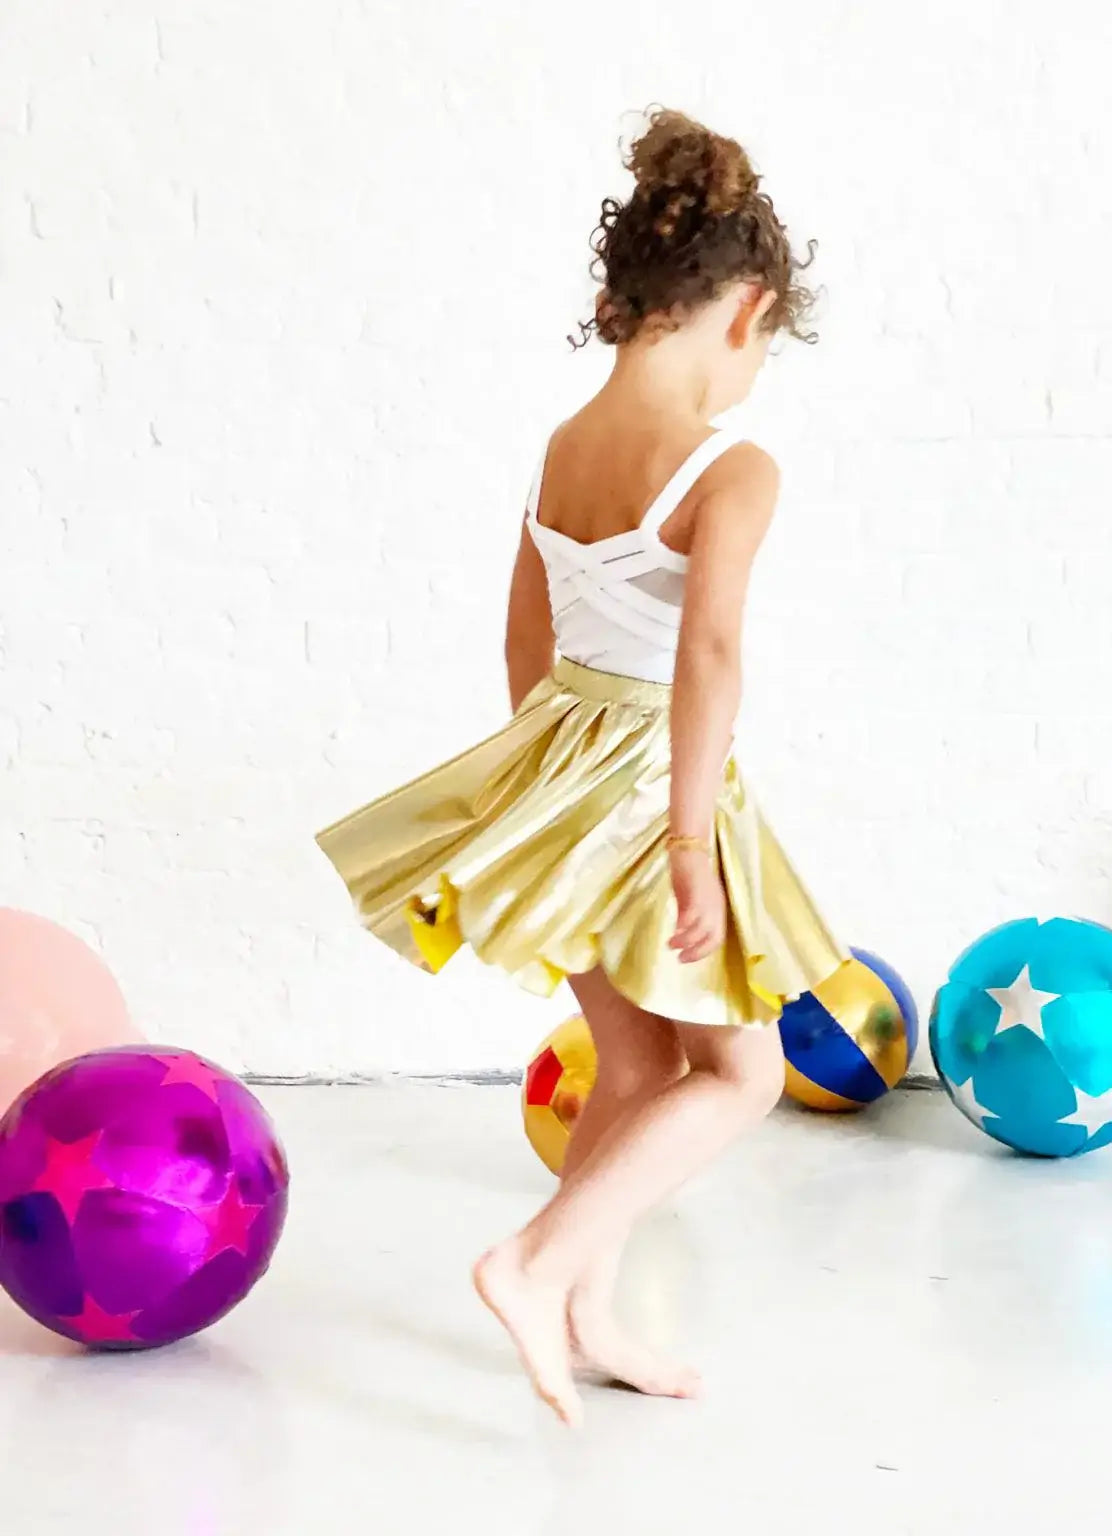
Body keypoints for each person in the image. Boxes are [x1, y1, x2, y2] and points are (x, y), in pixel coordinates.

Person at [316, 108, 846, 1428]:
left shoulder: (566, 447)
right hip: (658, 786)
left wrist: (538, 800)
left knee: (633, 1070)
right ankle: (532, 1261)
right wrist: (682, 840)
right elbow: (708, 654)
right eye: (761, 352)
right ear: (745, 310)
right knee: (740, 1076)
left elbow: (524, 633)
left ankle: (590, 1310)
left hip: (564, 769)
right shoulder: (734, 465)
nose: (750, 382)